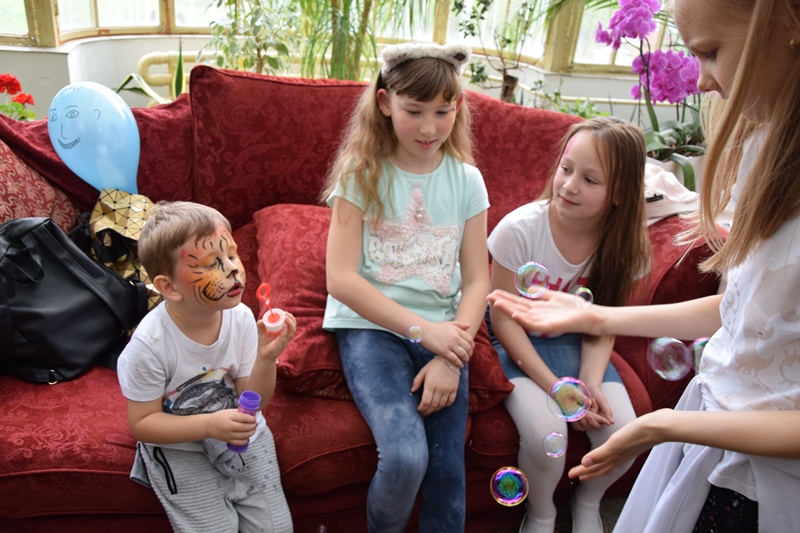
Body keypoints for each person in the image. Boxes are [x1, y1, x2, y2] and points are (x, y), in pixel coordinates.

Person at [488, 0, 800, 529]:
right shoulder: (765, 147)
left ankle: (585, 509)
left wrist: (659, 423)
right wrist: (595, 317)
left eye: (711, 52)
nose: (702, 81)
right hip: (714, 446)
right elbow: (740, 310)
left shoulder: (621, 241)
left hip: (765, 483)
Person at [322, 41, 490, 532]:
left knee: (447, 474)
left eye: (442, 112)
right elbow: (341, 279)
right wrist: (423, 331)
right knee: (404, 459)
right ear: (384, 102)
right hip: (371, 328)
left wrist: (450, 356)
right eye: (414, 111)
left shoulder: (468, 181)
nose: (429, 127)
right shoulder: (360, 176)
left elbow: (477, 279)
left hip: (446, 335)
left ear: (458, 107)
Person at [486, 116, 650, 533]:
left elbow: (602, 322)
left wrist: (590, 384)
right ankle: (541, 512)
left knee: (624, 434)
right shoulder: (519, 230)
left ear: (620, 194)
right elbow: (502, 319)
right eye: (566, 169)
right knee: (545, 435)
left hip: (578, 345)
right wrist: (558, 391)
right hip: (516, 344)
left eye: (590, 180)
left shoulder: (624, 246)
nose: (570, 186)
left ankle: (588, 502)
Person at [117, 201, 295, 533]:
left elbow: (253, 401)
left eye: (232, 255)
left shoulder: (241, 317)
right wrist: (210, 425)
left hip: (242, 438)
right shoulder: (149, 345)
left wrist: (265, 358)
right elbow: (142, 424)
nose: (232, 269)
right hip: (181, 449)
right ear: (169, 287)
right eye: (213, 263)